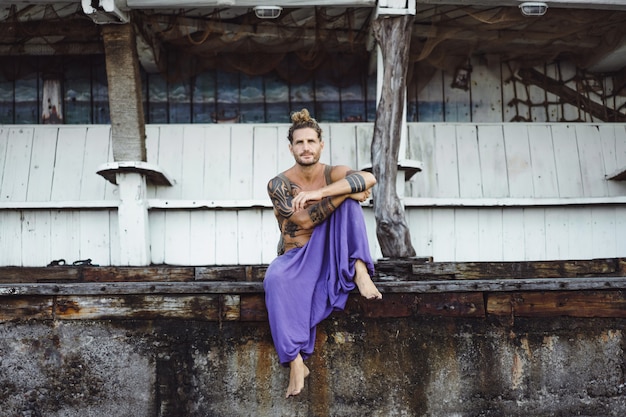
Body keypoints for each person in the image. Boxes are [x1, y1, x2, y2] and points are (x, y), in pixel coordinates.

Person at [264, 108, 382, 399]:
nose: (306, 147)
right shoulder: (278, 184)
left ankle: (360, 271)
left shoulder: (333, 172)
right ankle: (295, 361)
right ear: (291, 147)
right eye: (300, 142)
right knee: (273, 279)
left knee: (351, 206)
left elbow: (369, 179)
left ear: (321, 145)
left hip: (333, 254)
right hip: (296, 256)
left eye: (311, 142)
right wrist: (342, 193)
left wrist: (321, 192)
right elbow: (303, 221)